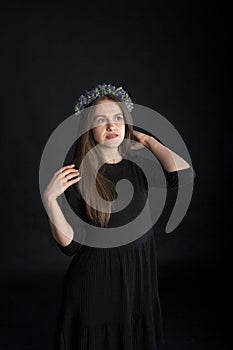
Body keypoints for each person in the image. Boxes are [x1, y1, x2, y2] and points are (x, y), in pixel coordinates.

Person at [43, 83, 195, 349]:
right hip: (96, 282)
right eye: (101, 120)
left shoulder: (140, 163)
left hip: (137, 275)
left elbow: (184, 175)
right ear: (89, 129)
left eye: (118, 118)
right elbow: (69, 246)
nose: (111, 126)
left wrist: (149, 141)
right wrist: (49, 200)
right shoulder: (78, 175)